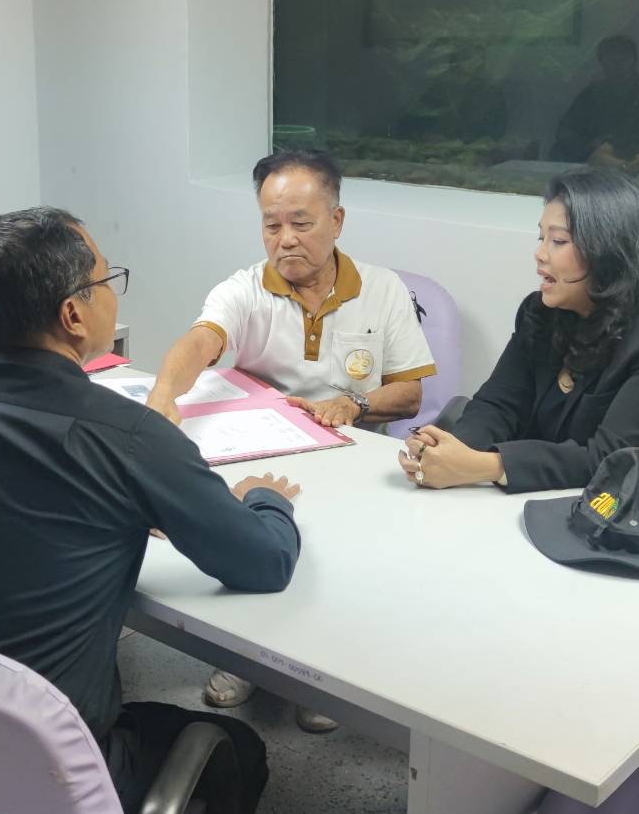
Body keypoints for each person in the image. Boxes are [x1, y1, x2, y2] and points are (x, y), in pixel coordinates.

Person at [0, 207, 302, 814]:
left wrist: (122, 507)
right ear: (73, 314)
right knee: (239, 749)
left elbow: (21, 484)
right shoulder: (130, 437)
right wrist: (267, 501)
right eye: (106, 279)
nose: (114, 292)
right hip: (50, 761)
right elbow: (265, 563)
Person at [146, 148, 435, 732]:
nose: (285, 240)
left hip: (351, 453)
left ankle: (323, 671)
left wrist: (353, 403)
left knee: (339, 557)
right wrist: (163, 396)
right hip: (266, 448)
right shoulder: (245, 288)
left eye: (301, 223)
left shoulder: (382, 290)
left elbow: (409, 394)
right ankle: (246, 657)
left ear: (337, 220)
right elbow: (200, 342)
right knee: (250, 534)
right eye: (271, 225)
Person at [397, 169, 639, 498]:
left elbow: (611, 460)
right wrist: (449, 450)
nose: (540, 254)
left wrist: (487, 465)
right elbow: (498, 405)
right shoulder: (540, 313)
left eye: (559, 241)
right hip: (553, 501)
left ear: (607, 250)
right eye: (541, 238)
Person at [552, 35, 639, 166]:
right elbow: (565, 133)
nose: (618, 65)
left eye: (624, 59)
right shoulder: (590, 96)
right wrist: (591, 145)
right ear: (602, 63)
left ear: (634, 61)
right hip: (598, 166)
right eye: (612, 60)